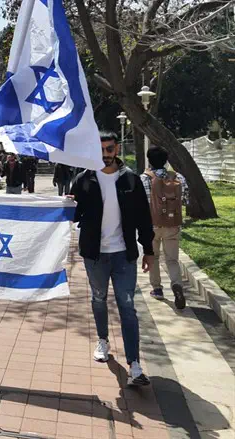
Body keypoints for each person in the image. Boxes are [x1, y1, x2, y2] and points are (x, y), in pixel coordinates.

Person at [69, 131, 154, 387]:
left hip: (123, 255)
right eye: (100, 150)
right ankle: (103, 341)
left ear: (117, 149)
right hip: (95, 255)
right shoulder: (84, 179)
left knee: (127, 306)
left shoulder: (130, 180)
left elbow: (143, 217)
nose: (105, 154)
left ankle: (134, 364)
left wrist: (148, 249)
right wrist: (68, 206)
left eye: (109, 149)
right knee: (98, 298)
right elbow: (75, 215)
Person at [141, 146, 189, 309]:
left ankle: (157, 289)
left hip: (151, 225)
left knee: (153, 257)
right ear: (166, 161)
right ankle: (177, 286)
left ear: (149, 161)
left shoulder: (145, 178)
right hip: (172, 224)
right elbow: (185, 200)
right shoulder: (178, 177)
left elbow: (142, 204)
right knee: (172, 259)